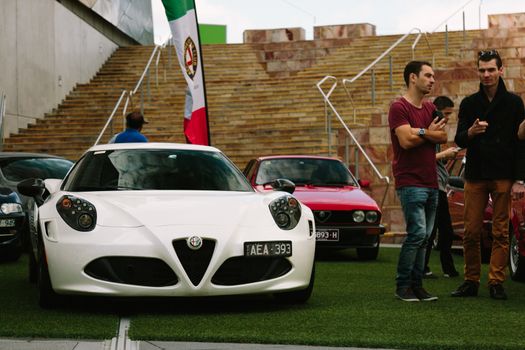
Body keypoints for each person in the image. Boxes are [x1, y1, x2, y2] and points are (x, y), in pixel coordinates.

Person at [451, 49, 525, 300]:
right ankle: (471, 280)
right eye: (482, 70)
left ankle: (496, 281)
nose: (486, 74)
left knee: (501, 231)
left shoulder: (515, 103)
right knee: (471, 231)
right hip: (475, 174)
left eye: (491, 69)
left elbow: (520, 143)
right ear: (478, 71)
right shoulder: (470, 103)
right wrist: (470, 132)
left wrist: (519, 179)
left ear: (501, 70)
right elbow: (459, 139)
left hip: (504, 174)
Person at [388, 61, 448, 302]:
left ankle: (418, 285)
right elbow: (405, 141)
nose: (433, 80)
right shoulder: (398, 107)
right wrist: (426, 132)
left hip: (431, 181)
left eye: (433, 76)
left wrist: (419, 131)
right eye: (428, 75)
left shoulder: (432, 107)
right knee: (417, 234)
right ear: (413, 78)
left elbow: (442, 136)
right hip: (410, 181)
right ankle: (403, 286)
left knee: (425, 238)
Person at [423, 96, 459, 279]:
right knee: (436, 230)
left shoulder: (436, 134)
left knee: (443, 230)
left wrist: (444, 156)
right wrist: (445, 153)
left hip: (439, 186)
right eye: (446, 114)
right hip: (433, 187)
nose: (448, 118)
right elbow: (423, 159)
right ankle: (425, 268)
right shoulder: (428, 132)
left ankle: (446, 268)